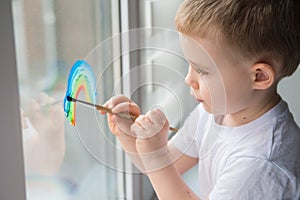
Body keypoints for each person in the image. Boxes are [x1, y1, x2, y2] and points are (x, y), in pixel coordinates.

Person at [101, 0, 300, 199]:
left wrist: (155, 156)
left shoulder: (261, 163)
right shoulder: (214, 112)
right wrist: (130, 136)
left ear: (259, 77)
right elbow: (168, 164)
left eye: (201, 70)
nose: (188, 79)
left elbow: (159, 164)